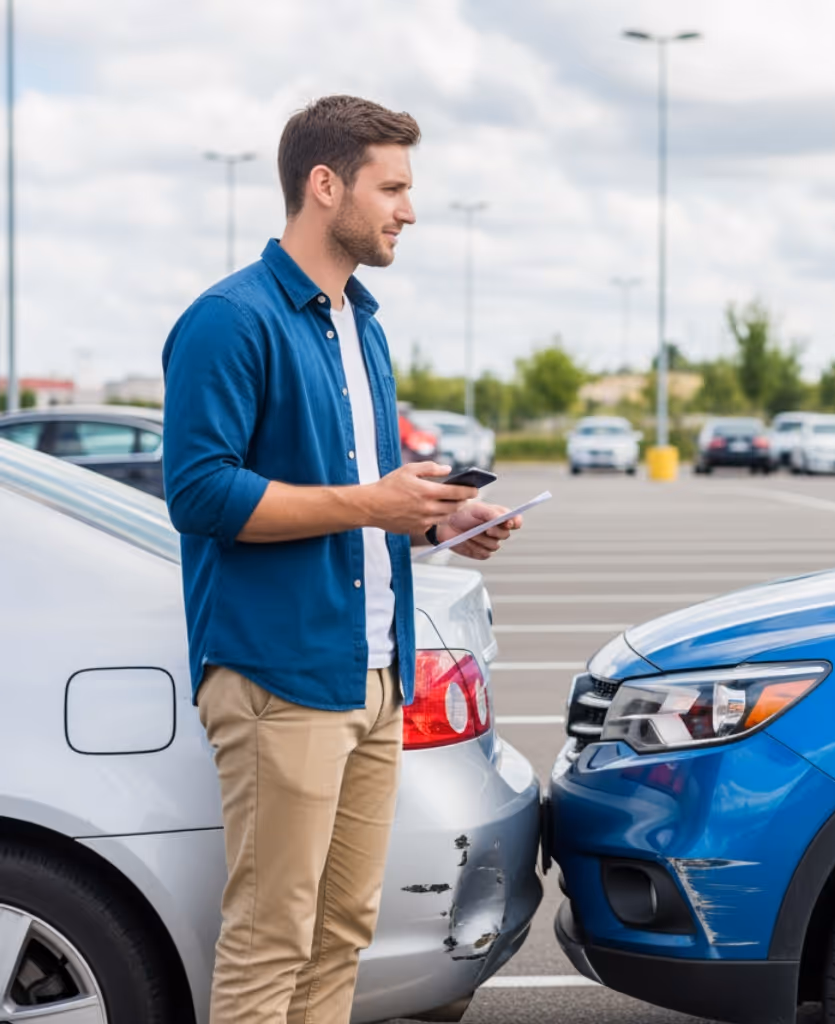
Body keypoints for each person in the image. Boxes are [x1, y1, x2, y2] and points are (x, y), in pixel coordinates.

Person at [161, 95, 518, 1024]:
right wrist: (373, 503)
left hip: (375, 674)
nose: (409, 210)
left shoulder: (364, 324)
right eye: (391, 188)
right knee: (271, 934)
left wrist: (437, 521)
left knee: (343, 932)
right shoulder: (229, 320)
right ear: (325, 185)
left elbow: (364, 495)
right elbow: (200, 494)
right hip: (280, 674)